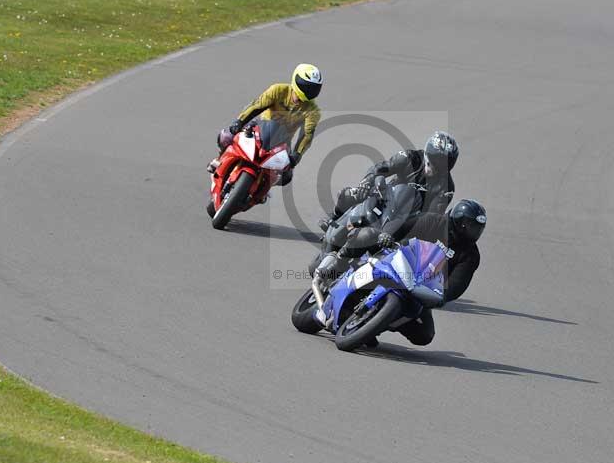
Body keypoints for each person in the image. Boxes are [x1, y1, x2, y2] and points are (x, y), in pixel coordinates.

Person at [315, 199, 485, 347]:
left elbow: (458, 282)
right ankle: (336, 265)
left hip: (420, 287)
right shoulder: (433, 221)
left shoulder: (470, 255)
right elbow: (403, 225)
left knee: (424, 335)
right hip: (397, 260)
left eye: (478, 229)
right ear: (458, 221)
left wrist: (442, 296)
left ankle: (372, 325)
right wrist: (388, 235)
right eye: (470, 226)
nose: (473, 232)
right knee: (367, 234)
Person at [207, 63, 322, 185]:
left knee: (286, 176)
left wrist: (297, 155)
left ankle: (262, 188)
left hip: (282, 143)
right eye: (306, 86)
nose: (309, 91)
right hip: (260, 128)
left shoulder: (313, 111)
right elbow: (257, 105)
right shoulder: (278, 90)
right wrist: (240, 121)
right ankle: (219, 160)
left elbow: (306, 136)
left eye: (313, 88)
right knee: (226, 136)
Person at [319, 131, 458, 230]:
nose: (440, 165)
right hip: (385, 198)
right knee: (349, 194)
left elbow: (431, 216)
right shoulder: (410, 158)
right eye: (438, 160)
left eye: (446, 162)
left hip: (407, 218)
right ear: (429, 154)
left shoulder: (447, 188)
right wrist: (367, 182)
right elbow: (381, 168)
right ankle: (334, 219)